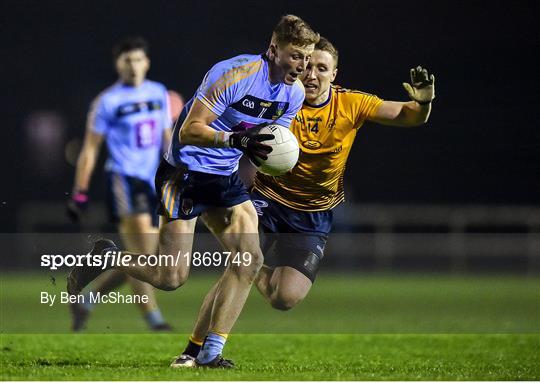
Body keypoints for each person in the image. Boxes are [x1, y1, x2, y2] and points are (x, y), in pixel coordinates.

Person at [67, 15, 319, 367]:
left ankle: (208, 354)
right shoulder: (235, 75)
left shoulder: (293, 94)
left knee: (249, 260)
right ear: (273, 49)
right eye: (295, 56)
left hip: (224, 178)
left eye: (307, 58)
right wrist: (235, 139)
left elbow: (271, 146)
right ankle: (107, 256)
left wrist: (261, 172)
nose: (302, 66)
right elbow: (189, 130)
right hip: (184, 174)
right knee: (170, 278)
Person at [174, 36, 435, 365]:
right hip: (267, 201)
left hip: (314, 214)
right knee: (241, 265)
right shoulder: (282, 98)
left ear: (334, 74)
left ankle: (251, 267)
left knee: (284, 297)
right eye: (308, 66)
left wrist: (423, 103)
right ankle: (194, 351)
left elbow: (406, 115)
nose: (312, 74)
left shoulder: (351, 104)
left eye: (321, 68)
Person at [66, 36, 173, 331]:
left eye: (138, 60)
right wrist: (80, 192)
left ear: (147, 62)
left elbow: (167, 138)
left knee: (146, 257)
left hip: (155, 181)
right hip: (124, 180)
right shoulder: (107, 101)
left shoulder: (159, 92)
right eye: (128, 61)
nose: (134, 66)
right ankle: (155, 320)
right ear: (118, 65)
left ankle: (87, 299)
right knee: (143, 255)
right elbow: (90, 149)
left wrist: (177, 173)